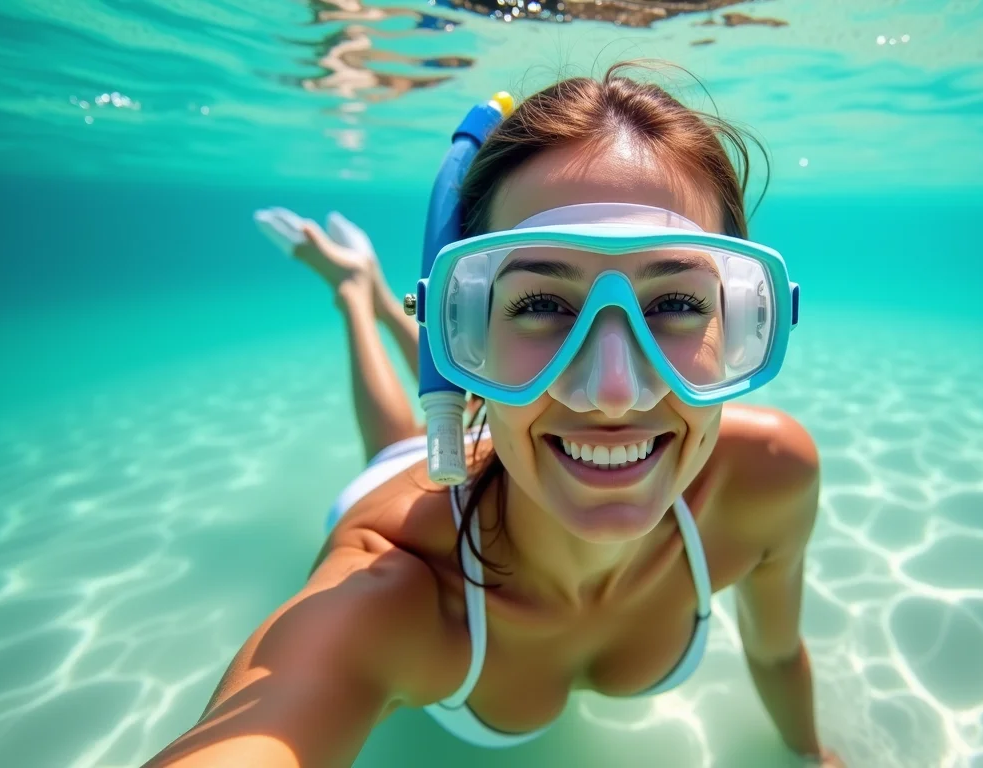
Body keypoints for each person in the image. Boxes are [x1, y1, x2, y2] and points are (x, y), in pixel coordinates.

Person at [145, 64, 843, 767]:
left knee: (411, 434)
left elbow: (778, 652)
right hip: (417, 488)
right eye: (540, 305)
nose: (611, 393)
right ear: (464, 338)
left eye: (676, 304)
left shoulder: (771, 479)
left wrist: (812, 756)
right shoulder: (395, 590)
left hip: (501, 446)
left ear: (746, 320)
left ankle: (380, 294)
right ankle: (357, 295)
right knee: (392, 445)